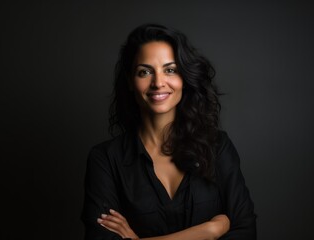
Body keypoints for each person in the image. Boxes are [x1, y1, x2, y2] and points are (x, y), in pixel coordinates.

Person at [81, 23, 256, 240]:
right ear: (129, 80)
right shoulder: (106, 159)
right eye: (144, 72)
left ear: (184, 77)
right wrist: (208, 231)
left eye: (170, 70)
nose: (158, 83)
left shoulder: (218, 147)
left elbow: (245, 232)